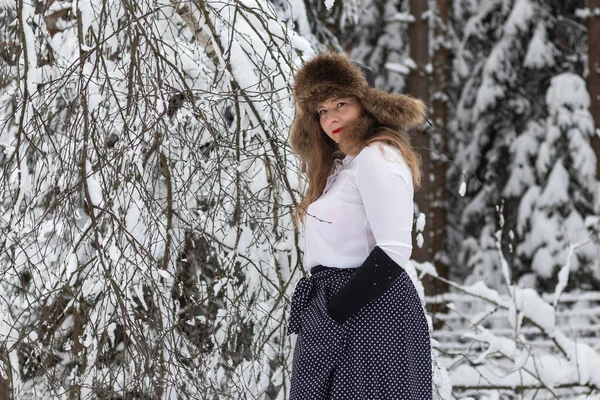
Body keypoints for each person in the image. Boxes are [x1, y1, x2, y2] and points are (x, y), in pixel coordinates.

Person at [286, 52, 432, 399]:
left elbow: (394, 251)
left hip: (371, 311)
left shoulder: (377, 157)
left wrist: (336, 309)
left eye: (340, 104)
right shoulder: (342, 168)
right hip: (340, 306)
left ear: (367, 105)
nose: (330, 118)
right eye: (322, 111)